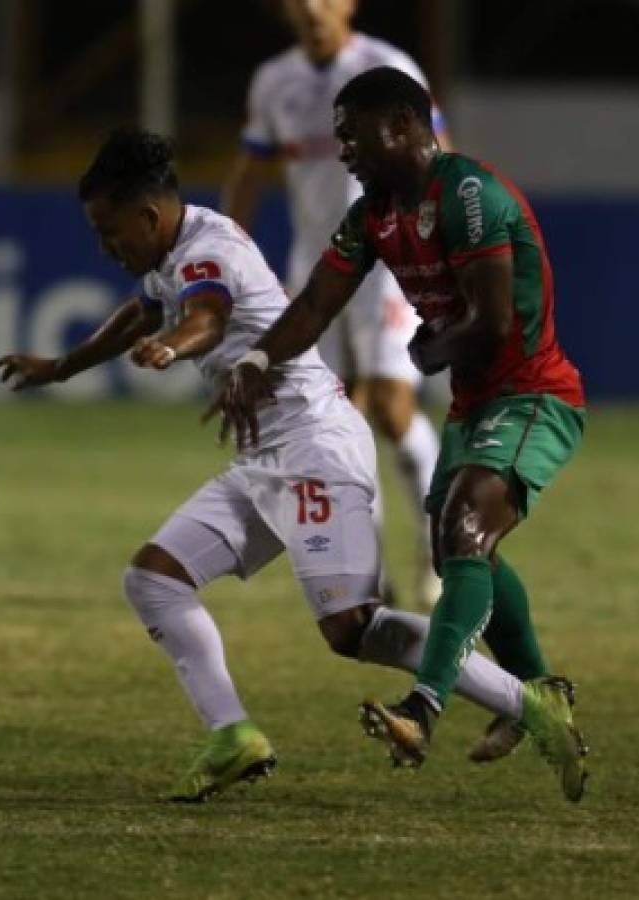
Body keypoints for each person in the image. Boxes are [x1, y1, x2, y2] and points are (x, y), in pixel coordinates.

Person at [0, 127, 580, 803]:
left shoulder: (206, 250)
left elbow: (207, 317)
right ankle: (232, 736)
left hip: (314, 450)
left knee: (353, 629)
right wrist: (62, 366)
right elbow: (142, 310)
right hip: (264, 458)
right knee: (154, 579)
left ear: (148, 217)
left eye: (109, 233)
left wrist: (173, 349)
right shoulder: (171, 250)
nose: (106, 247)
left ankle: (528, 702)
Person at [208, 68, 589, 801]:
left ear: (405, 126)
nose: (342, 148)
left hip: (533, 396)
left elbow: (491, 323)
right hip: (475, 406)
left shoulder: (468, 195)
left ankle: (424, 707)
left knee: (464, 529)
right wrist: (257, 358)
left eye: (351, 133)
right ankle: (538, 693)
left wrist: (423, 353)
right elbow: (318, 302)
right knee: (464, 542)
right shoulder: (372, 213)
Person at [222, 0, 447, 608]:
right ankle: (369, 572)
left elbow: (439, 158)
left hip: (390, 266)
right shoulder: (275, 81)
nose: (312, 10)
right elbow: (250, 171)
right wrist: (225, 257)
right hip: (318, 269)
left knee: (392, 408)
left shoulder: (387, 65)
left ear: (349, 3)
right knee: (332, 422)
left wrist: (438, 241)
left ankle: (437, 544)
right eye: (300, 1)